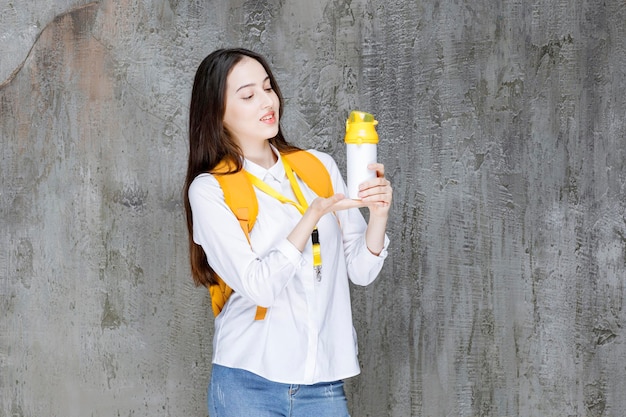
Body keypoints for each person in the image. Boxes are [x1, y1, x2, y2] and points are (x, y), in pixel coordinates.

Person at [183, 48, 392, 417]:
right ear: (217, 113)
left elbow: (361, 271)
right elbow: (259, 285)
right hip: (248, 382)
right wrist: (310, 217)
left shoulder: (318, 167)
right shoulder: (211, 190)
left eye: (268, 88)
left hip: (323, 382)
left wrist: (378, 215)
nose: (267, 101)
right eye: (248, 95)